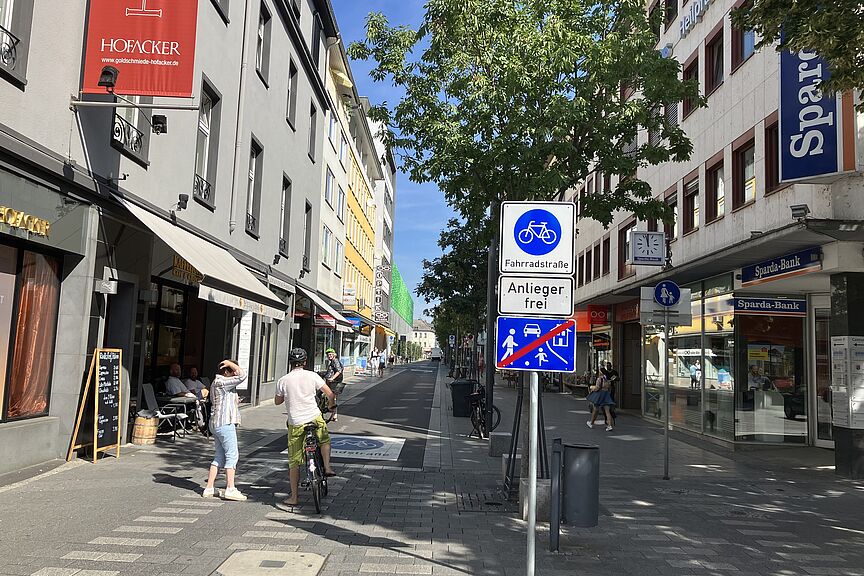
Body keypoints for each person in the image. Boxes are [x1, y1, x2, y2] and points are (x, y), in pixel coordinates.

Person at [275, 348, 336, 507]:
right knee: (324, 439)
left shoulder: (283, 380)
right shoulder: (312, 376)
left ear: (290, 363)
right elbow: (330, 394)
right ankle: (327, 467)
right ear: (305, 362)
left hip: (295, 422)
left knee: (294, 462)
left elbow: (277, 401)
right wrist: (331, 406)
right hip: (314, 417)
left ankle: (294, 497)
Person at [203, 360, 247, 501]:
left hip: (215, 423)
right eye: (233, 370)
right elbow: (242, 375)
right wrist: (230, 362)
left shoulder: (216, 383)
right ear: (227, 371)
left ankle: (209, 487)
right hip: (225, 423)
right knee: (232, 455)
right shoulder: (222, 382)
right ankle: (230, 488)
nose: (235, 373)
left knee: (219, 456)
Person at [322, 348, 344, 422]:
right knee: (333, 398)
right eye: (328, 355)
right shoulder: (332, 362)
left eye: (331, 354)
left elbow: (339, 371)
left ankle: (334, 414)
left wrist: (332, 378)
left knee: (331, 397)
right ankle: (334, 415)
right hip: (333, 382)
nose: (329, 356)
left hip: (334, 383)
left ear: (334, 355)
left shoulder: (335, 361)